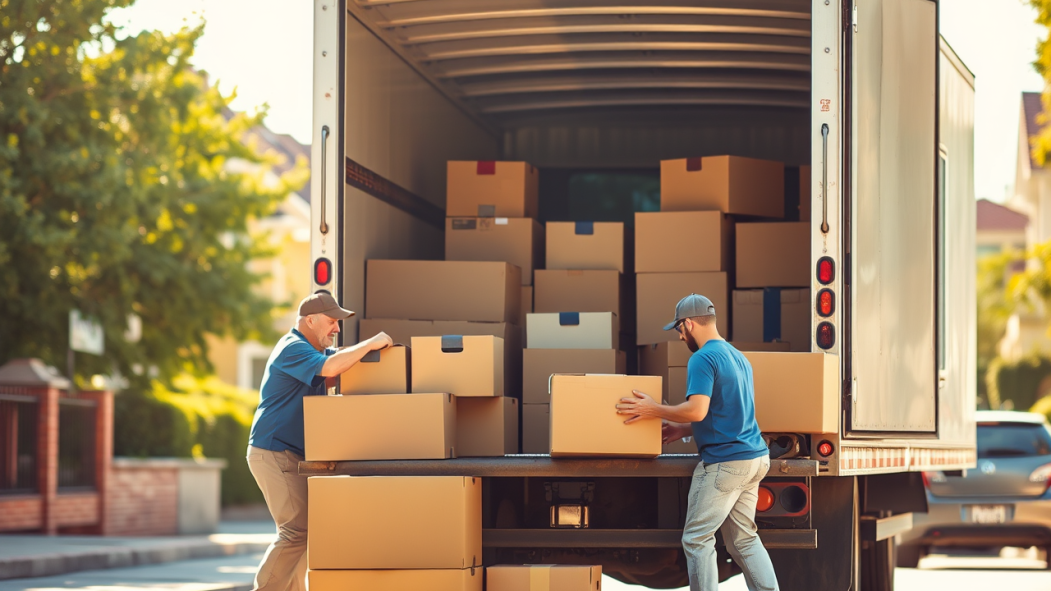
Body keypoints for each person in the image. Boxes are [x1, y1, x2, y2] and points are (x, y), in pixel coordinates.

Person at [616, 293, 778, 591]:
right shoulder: (737, 357)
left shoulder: (702, 358)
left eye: (679, 329)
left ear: (689, 323)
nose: (679, 337)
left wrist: (653, 409)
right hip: (755, 458)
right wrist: (683, 430)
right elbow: (725, 411)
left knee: (697, 538)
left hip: (726, 464)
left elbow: (698, 408)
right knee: (744, 540)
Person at [246, 292, 393, 591]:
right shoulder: (292, 348)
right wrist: (372, 343)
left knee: (304, 531)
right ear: (308, 321)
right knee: (295, 531)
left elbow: (337, 366)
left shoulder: (311, 352)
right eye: (331, 322)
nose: (337, 329)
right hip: (273, 451)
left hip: (289, 453)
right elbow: (331, 369)